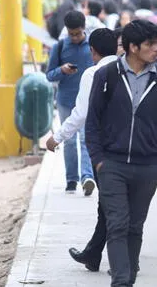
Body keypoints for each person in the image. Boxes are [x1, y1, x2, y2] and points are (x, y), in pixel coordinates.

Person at [85, 19, 157, 287]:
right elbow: (93, 122)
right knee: (117, 224)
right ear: (132, 47)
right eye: (150, 44)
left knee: (135, 226)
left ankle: (128, 277)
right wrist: (98, 160)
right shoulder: (107, 75)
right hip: (111, 164)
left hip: (148, 167)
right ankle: (121, 282)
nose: (156, 49)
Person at [45, 28, 118, 272]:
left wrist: (57, 137)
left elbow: (81, 113)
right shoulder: (129, 70)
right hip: (131, 147)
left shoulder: (93, 73)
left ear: (93, 50)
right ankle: (93, 253)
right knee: (113, 204)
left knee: (111, 205)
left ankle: (115, 257)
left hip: (104, 149)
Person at [46, 11, 96, 194]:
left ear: (84, 29)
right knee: (68, 140)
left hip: (88, 100)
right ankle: (71, 179)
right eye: (71, 34)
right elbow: (49, 74)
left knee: (85, 139)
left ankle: (87, 177)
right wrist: (62, 70)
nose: (74, 37)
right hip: (66, 100)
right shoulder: (59, 47)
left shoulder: (93, 45)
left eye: (78, 33)